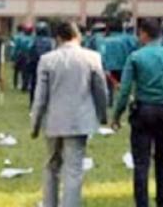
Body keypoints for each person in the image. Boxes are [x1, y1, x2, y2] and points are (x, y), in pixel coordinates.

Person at [111, 20, 163, 207]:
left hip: (143, 113)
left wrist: (117, 116)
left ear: (145, 34)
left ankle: (142, 203)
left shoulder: (135, 57)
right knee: (162, 158)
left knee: (141, 162)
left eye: (140, 34)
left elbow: (124, 91)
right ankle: (162, 201)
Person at [31, 22, 109, 207]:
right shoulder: (92, 58)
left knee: (51, 166)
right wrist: (102, 115)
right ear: (78, 35)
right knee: (73, 170)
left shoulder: (47, 60)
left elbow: (40, 97)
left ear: (57, 38)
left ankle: (49, 203)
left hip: (53, 121)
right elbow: (101, 91)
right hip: (79, 121)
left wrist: (35, 123)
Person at [102, 23, 131, 105]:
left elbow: (103, 53)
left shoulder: (105, 40)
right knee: (124, 85)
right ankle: (124, 101)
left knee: (109, 86)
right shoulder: (126, 39)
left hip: (109, 66)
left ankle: (110, 102)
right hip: (123, 65)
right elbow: (130, 51)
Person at [29, 23, 56, 105]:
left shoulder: (34, 40)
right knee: (48, 83)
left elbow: (29, 50)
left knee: (34, 82)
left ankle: (33, 101)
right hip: (48, 64)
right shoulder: (51, 41)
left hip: (35, 63)